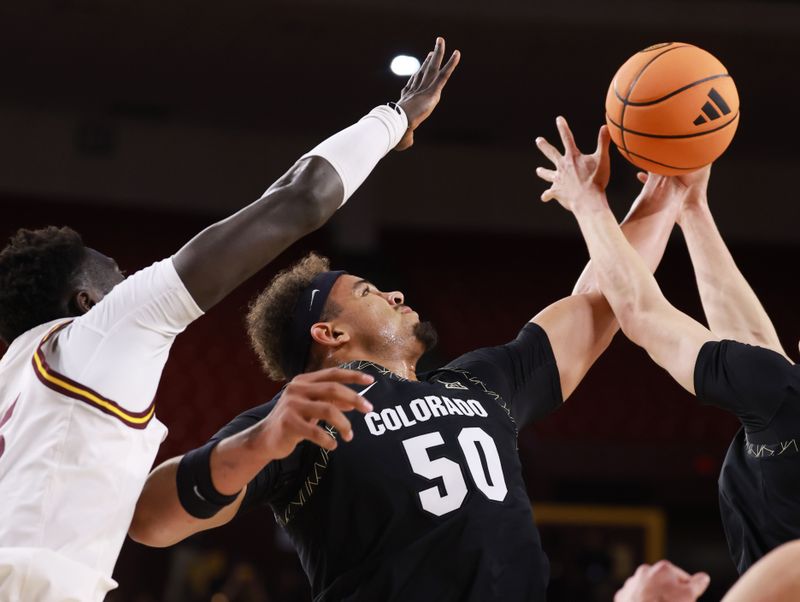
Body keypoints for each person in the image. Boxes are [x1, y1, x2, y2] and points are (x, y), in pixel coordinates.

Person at [130, 126, 687, 599]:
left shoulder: (477, 384)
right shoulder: (301, 416)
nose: (395, 295)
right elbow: (149, 521)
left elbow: (602, 300)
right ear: (330, 332)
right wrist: (257, 443)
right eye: (369, 291)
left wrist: (666, 191)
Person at [0, 36, 459, 601]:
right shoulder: (100, 331)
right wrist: (394, 118)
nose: (130, 284)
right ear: (86, 303)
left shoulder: (13, 380)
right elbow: (300, 199)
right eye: (116, 278)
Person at [534, 117, 800, 575]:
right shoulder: (781, 393)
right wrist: (692, 208)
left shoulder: (781, 395)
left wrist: (587, 203)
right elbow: (753, 344)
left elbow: (639, 311)